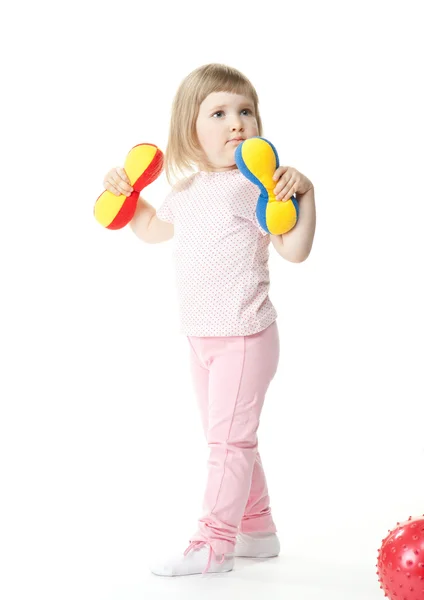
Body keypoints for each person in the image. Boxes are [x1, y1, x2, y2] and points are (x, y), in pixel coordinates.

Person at [102, 63, 316, 577]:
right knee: (229, 440)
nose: (237, 123)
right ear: (189, 130)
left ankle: (213, 544)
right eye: (219, 112)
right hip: (201, 338)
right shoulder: (189, 189)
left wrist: (305, 195)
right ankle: (258, 530)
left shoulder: (254, 187)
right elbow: (153, 228)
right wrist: (127, 191)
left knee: (229, 443)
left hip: (244, 334)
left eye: (246, 111)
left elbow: (294, 249)